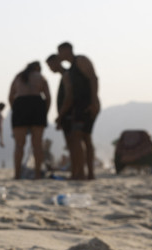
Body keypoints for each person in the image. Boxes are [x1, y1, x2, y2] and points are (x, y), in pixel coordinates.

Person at [57, 42, 100, 180]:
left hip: (86, 104)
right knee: (84, 138)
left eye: (60, 52)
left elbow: (93, 78)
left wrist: (93, 101)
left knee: (79, 138)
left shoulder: (81, 60)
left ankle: (83, 173)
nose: (59, 55)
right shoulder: (70, 70)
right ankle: (84, 173)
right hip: (79, 106)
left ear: (67, 50)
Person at [8, 61, 50, 179]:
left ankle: (17, 174)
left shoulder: (18, 76)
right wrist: (44, 111)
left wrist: (16, 109)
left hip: (21, 105)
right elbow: (48, 96)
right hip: (37, 104)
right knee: (37, 144)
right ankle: (37, 174)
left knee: (19, 144)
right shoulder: (41, 77)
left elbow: (11, 96)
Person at [46, 54, 79, 178]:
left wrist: (61, 115)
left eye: (50, 66)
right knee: (72, 144)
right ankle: (76, 172)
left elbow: (69, 96)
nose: (50, 69)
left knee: (73, 144)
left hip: (69, 114)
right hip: (67, 114)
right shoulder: (65, 75)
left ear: (56, 62)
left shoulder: (67, 75)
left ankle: (76, 172)